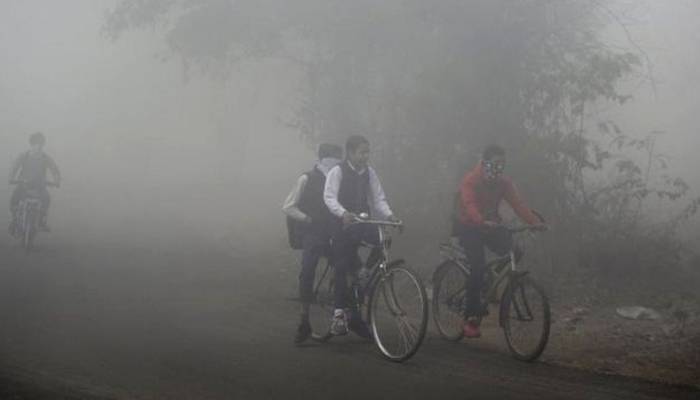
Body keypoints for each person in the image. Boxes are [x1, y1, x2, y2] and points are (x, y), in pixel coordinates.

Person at [457, 144, 545, 338]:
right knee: (478, 267)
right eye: (496, 163)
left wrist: (534, 222)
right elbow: (469, 204)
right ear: (485, 162)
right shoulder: (471, 179)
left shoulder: (503, 183)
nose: (500, 167)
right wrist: (481, 221)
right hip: (469, 227)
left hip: (491, 226)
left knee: (516, 250)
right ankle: (470, 316)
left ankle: (491, 281)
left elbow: (518, 204)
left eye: (502, 164)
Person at [324, 135, 400, 337]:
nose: (366, 156)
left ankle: (364, 272)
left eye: (368, 152)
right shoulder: (337, 171)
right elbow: (329, 197)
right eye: (362, 152)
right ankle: (339, 315)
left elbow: (378, 198)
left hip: (362, 222)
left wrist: (390, 215)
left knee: (385, 238)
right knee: (340, 265)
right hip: (341, 225)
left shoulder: (369, 173)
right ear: (350, 152)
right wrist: (343, 213)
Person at [283, 143, 343, 344]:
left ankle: (346, 314)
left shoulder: (339, 178)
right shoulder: (307, 178)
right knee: (308, 270)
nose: (337, 161)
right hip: (313, 233)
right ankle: (304, 318)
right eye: (334, 157)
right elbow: (289, 206)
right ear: (323, 158)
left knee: (346, 267)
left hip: (333, 232)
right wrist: (307, 219)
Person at [9, 132, 61, 232]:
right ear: (31, 144)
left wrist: (56, 180)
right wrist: (11, 178)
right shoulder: (24, 156)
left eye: (40, 144)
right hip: (23, 185)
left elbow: (55, 170)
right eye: (35, 144)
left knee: (46, 199)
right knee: (14, 199)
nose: (38, 147)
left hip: (40, 186)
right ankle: (14, 219)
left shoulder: (46, 158)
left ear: (42, 145)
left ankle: (41, 220)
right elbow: (14, 168)